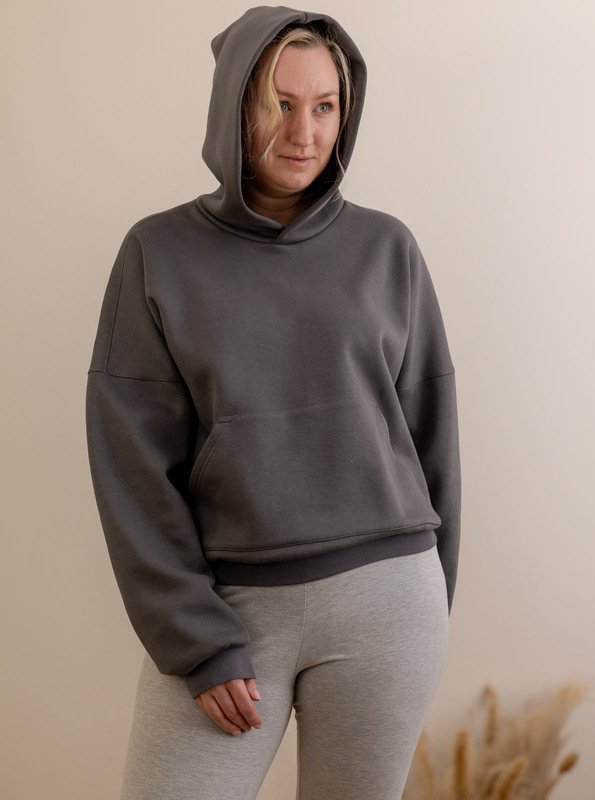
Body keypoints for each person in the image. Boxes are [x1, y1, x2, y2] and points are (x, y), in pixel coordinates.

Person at [85, 6, 461, 799]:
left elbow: (432, 436)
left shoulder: (387, 248)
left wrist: (429, 601)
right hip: (230, 609)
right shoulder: (158, 253)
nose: (304, 132)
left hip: (388, 604)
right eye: (280, 105)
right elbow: (133, 469)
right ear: (235, 106)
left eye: (325, 106)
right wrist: (194, 638)